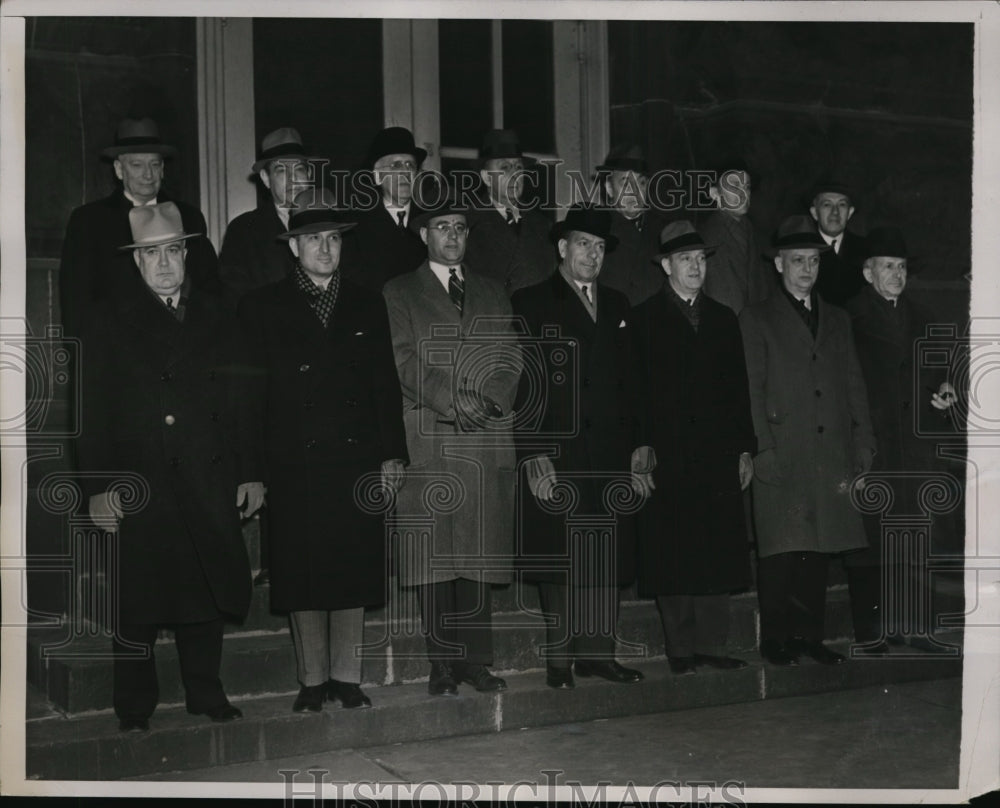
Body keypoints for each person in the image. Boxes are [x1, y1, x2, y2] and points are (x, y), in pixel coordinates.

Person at [76, 202, 264, 732]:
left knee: (204, 590)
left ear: (185, 253)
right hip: (139, 481)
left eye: (172, 251)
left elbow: (243, 398)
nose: (164, 264)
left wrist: (250, 472)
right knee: (138, 601)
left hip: (209, 474)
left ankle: (206, 693)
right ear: (137, 261)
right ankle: (134, 707)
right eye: (151, 254)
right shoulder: (107, 318)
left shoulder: (217, 312)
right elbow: (89, 412)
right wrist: (97, 488)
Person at [238, 189, 408, 713]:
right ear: (294, 247)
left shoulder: (365, 300)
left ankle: (347, 676)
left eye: (333, 239)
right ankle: (312, 680)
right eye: (314, 239)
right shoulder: (261, 306)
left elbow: (385, 382)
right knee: (302, 571)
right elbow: (248, 397)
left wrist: (392, 454)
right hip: (293, 461)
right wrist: (254, 471)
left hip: (356, 457)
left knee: (353, 568)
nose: (326, 249)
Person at [383, 197, 522, 697]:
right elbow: (401, 361)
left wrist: (487, 400)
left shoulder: (491, 290)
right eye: (442, 227)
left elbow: (511, 358)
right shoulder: (399, 291)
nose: (452, 236)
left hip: (485, 434)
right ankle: (442, 664)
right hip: (431, 435)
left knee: (479, 556)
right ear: (424, 235)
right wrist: (451, 398)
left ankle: (475, 663)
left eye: (460, 228)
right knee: (435, 559)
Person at [512, 204, 654, 689]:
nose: (592, 255)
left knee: (605, 555)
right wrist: (534, 454)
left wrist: (641, 448)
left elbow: (637, 382)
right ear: (561, 248)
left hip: (612, 452)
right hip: (561, 450)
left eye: (599, 247)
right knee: (561, 561)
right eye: (582, 245)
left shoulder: (619, 305)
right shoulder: (531, 302)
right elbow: (525, 388)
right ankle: (559, 662)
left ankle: (598, 655)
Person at [739, 214, 875, 667]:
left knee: (816, 551)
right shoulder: (756, 318)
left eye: (812, 261)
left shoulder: (837, 319)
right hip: (783, 447)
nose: (806, 270)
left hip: (829, 451)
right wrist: (761, 448)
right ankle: (776, 639)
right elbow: (751, 389)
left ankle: (809, 638)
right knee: (781, 550)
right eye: (797, 261)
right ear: (779, 264)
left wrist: (863, 443)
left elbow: (855, 384)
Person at [632, 221, 755, 675]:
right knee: (674, 551)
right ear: (666, 266)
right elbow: (636, 394)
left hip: (718, 454)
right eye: (685, 259)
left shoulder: (724, 318)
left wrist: (744, 449)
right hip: (669, 455)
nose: (695, 267)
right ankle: (681, 650)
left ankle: (712, 646)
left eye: (701, 259)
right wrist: (641, 450)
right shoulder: (644, 318)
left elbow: (739, 391)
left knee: (718, 548)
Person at [843, 226, 958, 653]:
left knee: (918, 536)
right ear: (868, 272)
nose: (896, 274)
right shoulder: (848, 319)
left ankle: (917, 628)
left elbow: (940, 379)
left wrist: (945, 394)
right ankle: (873, 632)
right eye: (888, 266)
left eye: (902, 267)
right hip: (876, 444)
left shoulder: (924, 317)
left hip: (916, 447)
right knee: (873, 539)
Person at [59, 118, 220, 338]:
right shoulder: (89, 221)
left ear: (163, 169)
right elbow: (75, 304)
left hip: (181, 345)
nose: (148, 174)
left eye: (154, 165)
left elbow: (209, 290)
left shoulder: (189, 217)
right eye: (137, 165)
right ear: (118, 169)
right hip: (115, 349)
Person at [219, 127, 315, 300]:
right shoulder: (243, 231)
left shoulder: (334, 225)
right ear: (265, 178)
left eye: (299, 169)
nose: (292, 178)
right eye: (281, 171)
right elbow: (234, 298)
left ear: (308, 174)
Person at [462, 128, 554, 295]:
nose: (514, 174)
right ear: (486, 177)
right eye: (505, 167)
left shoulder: (544, 226)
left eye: (518, 167)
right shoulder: (465, 224)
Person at [339, 126, 428, 292]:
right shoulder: (353, 227)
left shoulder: (431, 222)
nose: (405, 172)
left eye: (410, 165)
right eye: (395, 166)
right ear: (377, 176)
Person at [593, 144, 669, 306]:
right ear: (609, 187)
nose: (634, 190)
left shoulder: (665, 231)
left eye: (641, 182)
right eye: (625, 182)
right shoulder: (594, 230)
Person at [700, 159, 774, 315]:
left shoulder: (751, 230)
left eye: (746, 187)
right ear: (715, 194)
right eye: (733, 186)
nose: (743, 193)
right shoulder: (712, 235)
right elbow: (722, 298)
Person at [808, 179, 868, 307]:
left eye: (841, 205)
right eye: (827, 205)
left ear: (850, 212)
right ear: (814, 213)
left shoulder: (867, 249)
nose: (835, 212)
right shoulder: (803, 249)